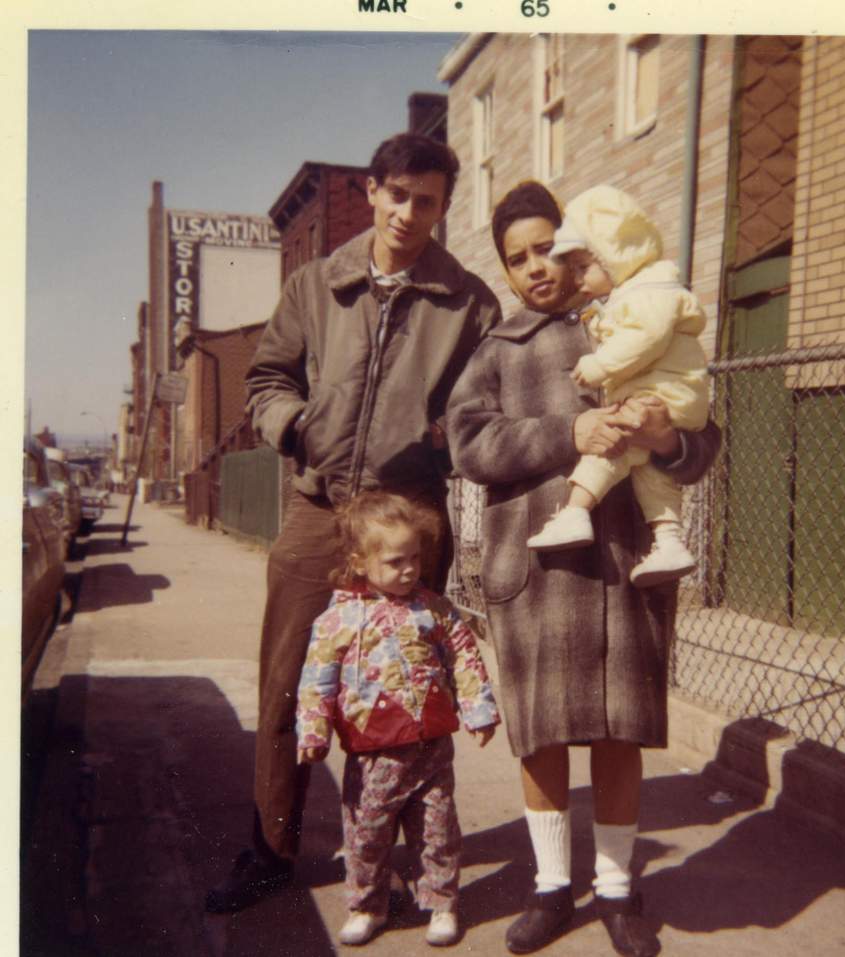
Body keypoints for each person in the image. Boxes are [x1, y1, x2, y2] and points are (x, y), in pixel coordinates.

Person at [205, 132, 501, 913]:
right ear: (372, 191)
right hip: (317, 509)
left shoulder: (469, 302)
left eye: (427, 201)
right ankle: (270, 850)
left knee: (404, 691)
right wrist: (297, 426)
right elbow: (267, 377)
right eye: (396, 194)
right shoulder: (315, 285)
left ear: (443, 208)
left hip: (409, 517)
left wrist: (448, 437)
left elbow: (476, 408)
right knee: (287, 687)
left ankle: (399, 861)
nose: (409, 213)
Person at [446, 182, 720, 957]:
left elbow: (704, 438)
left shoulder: (637, 317)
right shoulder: (498, 352)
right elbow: (470, 445)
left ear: (574, 247)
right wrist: (571, 431)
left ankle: (618, 889)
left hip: (623, 564)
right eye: (517, 258)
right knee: (541, 739)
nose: (536, 268)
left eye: (546, 248)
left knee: (619, 732)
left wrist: (668, 441)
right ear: (504, 270)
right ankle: (548, 887)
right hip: (533, 571)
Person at [296, 491, 499, 947]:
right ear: (361, 562)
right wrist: (313, 729)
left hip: (430, 749)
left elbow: (465, 657)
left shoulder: (434, 610)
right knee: (367, 835)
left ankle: (441, 902)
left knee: (438, 831)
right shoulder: (338, 619)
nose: (408, 570)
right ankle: (367, 904)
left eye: (414, 558)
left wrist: (478, 708)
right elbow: (317, 678)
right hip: (374, 754)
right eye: (394, 561)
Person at [525, 184, 710, 588]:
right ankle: (669, 540)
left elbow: (644, 337)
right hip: (674, 398)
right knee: (651, 475)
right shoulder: (640, 294)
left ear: (616, 255)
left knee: (613, 442)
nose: (576, 278)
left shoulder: (648, 293)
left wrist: (599, 364)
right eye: (517, 259)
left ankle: (575, 510)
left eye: (582, 267)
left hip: (663, 399)